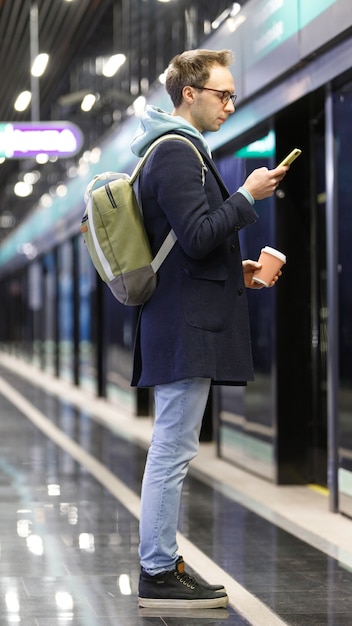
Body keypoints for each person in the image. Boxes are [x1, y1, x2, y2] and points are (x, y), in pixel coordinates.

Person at [130, 48, 288, 609]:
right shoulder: (175, 152)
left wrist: (235, 269)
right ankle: (156, 570)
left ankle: (163, 561)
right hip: (183, 328)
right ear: (189, 94)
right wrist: (248, 196)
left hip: (182, 319)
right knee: (172, 450)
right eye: (223, 94)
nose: (230, 103)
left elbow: (191, 245)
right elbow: (196, 236)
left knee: (173, 447)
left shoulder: (178, 150)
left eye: (233, 95)